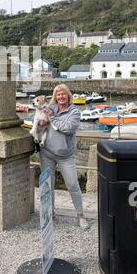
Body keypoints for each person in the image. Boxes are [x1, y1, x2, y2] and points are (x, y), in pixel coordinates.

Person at [38, 84, 89, 229]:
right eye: (58, 94)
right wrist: (41, 121)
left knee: (73, 184)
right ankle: (49, 213)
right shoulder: (51, 107)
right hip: (46, 152)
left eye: (63, 94)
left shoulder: (74, 112)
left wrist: (51, 117)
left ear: (68, 96)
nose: (61, 97)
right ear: (55, 96)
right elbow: (39, 119)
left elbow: (67, 128)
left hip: (65, 155)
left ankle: (80, 216)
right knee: (47, 184)